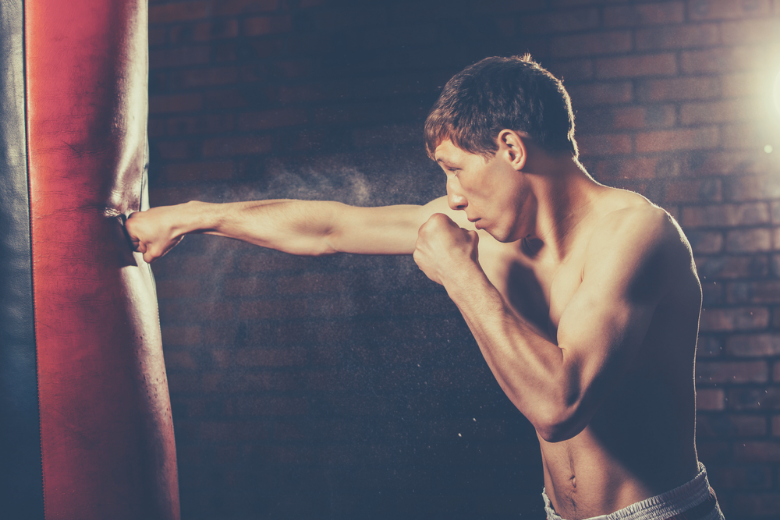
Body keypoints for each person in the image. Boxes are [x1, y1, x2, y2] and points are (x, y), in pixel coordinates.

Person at [126, 55, 725, 520]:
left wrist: (460, 273)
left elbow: (559, 407)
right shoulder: (486, 229)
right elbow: (331, 227)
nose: (454, 196)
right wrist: (196, 214)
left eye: (456, 169)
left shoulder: (635, 234)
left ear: (511, 148)